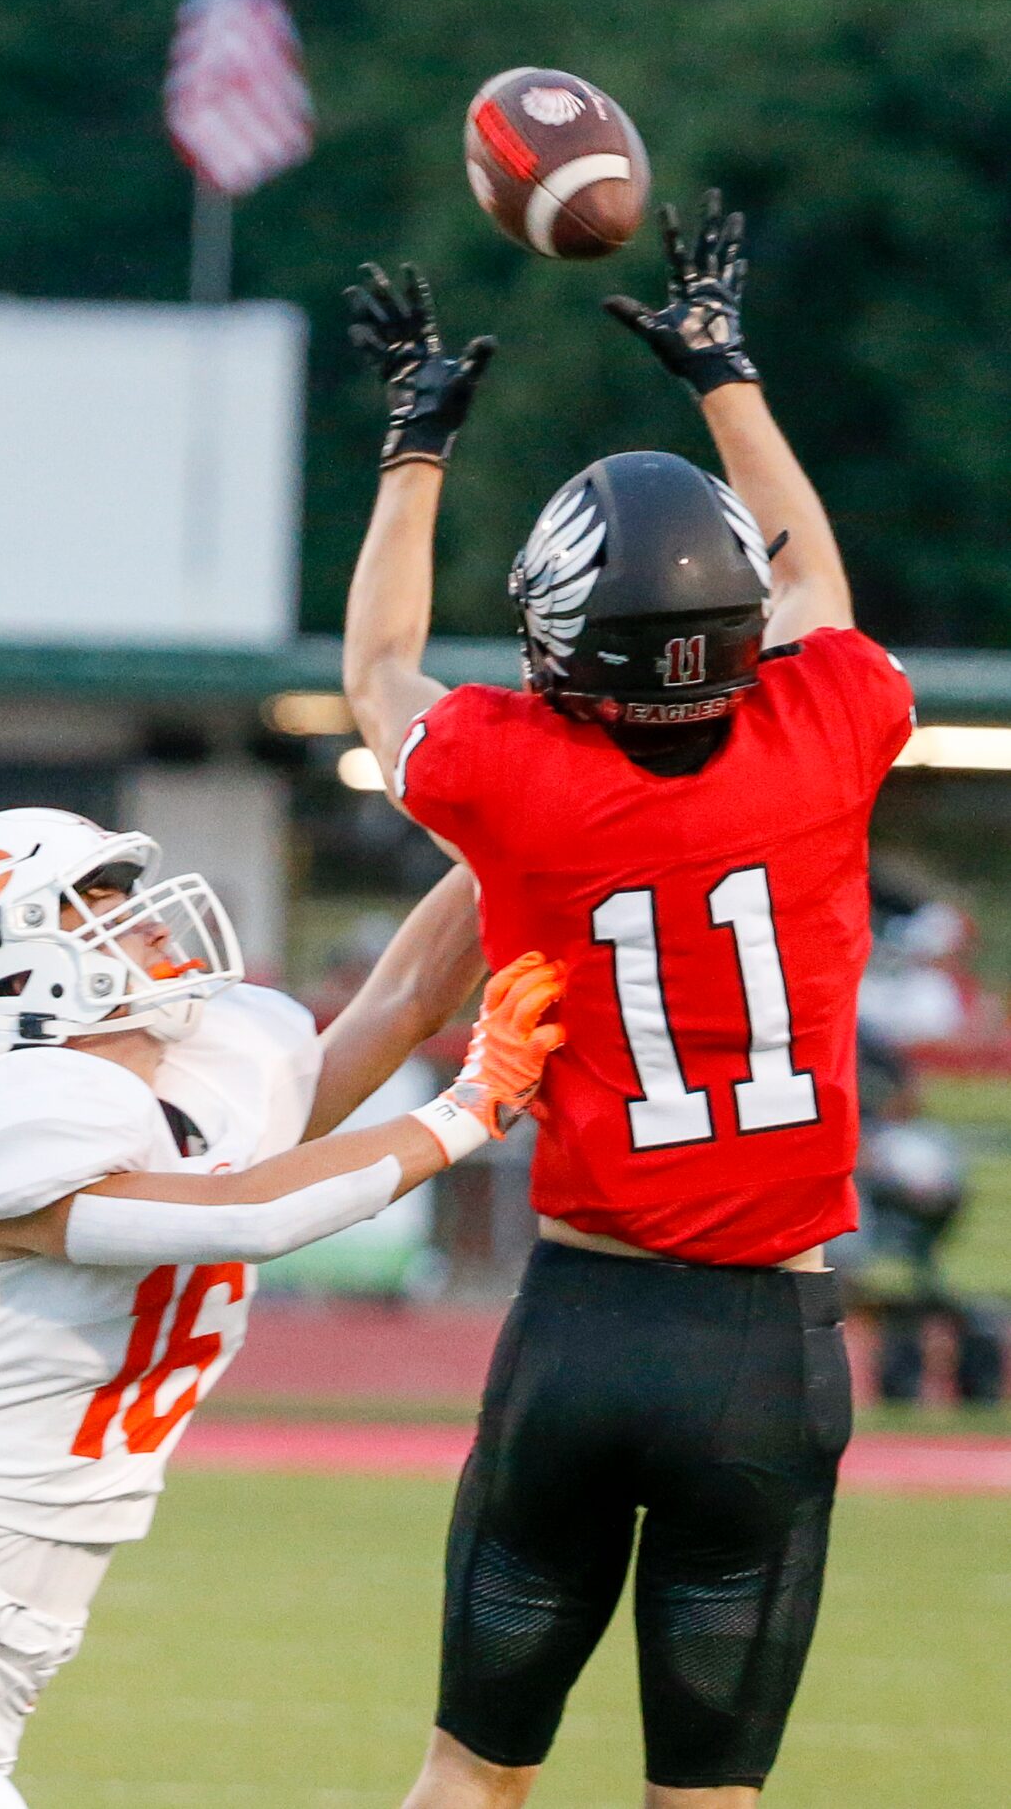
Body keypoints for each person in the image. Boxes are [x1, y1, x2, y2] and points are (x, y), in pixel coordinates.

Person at [342, 192, 916, 1809]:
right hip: (771, 1343)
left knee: (468, 1772)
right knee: (707, 1803)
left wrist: (412, 449)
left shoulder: (515, 780)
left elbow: (381, 666)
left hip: (584, 1321)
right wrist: (724, 372)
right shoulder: (825, 728)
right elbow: (818, 591)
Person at [0, 805, 564, 1809]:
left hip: (7, 1656)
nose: (142, 920)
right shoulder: (3, 1121)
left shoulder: (206, 1079)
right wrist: (469, 1106)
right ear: (15, 975)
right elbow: (249, 1213)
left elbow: (398, 1002)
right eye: (94, 907)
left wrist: (520, 825)